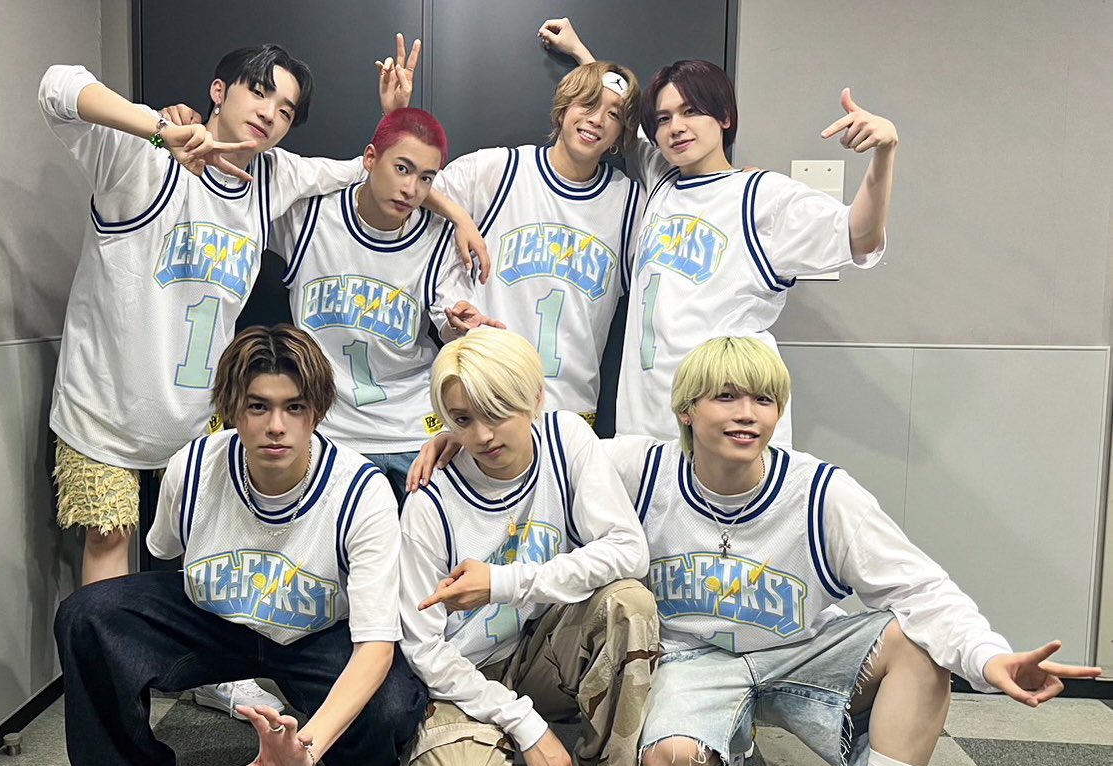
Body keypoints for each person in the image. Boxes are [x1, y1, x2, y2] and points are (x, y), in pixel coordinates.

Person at [604, 336, 1102, 766]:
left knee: (918, 641)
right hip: (694, 660)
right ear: (686, 409)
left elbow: (921, 588)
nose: (747, 414)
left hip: (798, 652)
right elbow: (548, 454)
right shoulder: (641, 470)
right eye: (726, 397)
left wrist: (988, 656)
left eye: (764, 400)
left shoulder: (820, 492)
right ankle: (727, 745)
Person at [43, 40, 484, 719]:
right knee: (108, 538)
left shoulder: (274, 178)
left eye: (285, 109)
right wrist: (158, 127)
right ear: (219, 91)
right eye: (258, 92)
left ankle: (213, 674)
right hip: (105, 401)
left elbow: (367, 172)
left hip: (198, 413)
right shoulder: (139, 156)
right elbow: (58, 86)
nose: (270, 114)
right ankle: (108, 706)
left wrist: (457, 213)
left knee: (211, 550)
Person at [30, 325, 427, 766]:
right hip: (215, 621)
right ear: (232, 409)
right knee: (90, 615)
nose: (276, 426)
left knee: (394, 703)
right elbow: (166, 553)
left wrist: (307, 749)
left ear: (317, 412)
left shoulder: (360, 491)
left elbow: (375, 647)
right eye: (258, 407)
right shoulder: (192, 467)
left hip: (316, 634)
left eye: (294, 407)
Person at [539, 17, 897, 444]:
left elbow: (860, 236)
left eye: (691, 111)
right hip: (647, 429)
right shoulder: (660, 179)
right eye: (664, 118)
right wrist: (581, 54)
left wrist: (884, 153)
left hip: (729, 431)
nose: (676, 127)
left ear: (724, 116)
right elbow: (622, 118)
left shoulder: (760, 196)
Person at [396, 330, 667, 766]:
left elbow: (628, 549)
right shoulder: (430, 500)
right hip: (465, 676)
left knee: (629, 603)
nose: (483, 435)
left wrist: (503, 582)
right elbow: (423, 649)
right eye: (463, 419)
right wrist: (526, 727)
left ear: (536, 398)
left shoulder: (566, 440)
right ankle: (466, 752)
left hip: (544, 651)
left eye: (498, 411)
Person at [271, 106, 481, 500]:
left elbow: (449, 315)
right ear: (369, 158)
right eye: (402, 169)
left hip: (413, 431)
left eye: (426, 178)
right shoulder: (310, 217)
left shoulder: (438, 238)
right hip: (333, 431)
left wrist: (460, 324)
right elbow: (246, 183)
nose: (411, 189)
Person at [427, 51, 642, 423]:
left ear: (622, 134)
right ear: (563, 108)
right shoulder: (499, 171)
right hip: (487, 398)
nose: (597, 119)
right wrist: (458, 216)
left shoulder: (630, 203)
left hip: (571, 413)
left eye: (614, 115)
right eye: (588, 104)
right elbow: (407, 186)